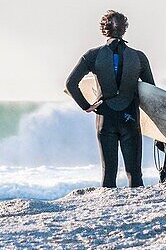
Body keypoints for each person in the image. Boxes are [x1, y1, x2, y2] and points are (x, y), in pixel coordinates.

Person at [65, 10, 155, 188]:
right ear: (124, 29)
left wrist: (87, 106)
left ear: (104, 29)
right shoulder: (139, 57)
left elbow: (71, 83)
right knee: (135, 174)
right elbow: (151, 92)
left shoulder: (92, 55)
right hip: (130, 118)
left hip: (104, 118)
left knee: (108, 174)